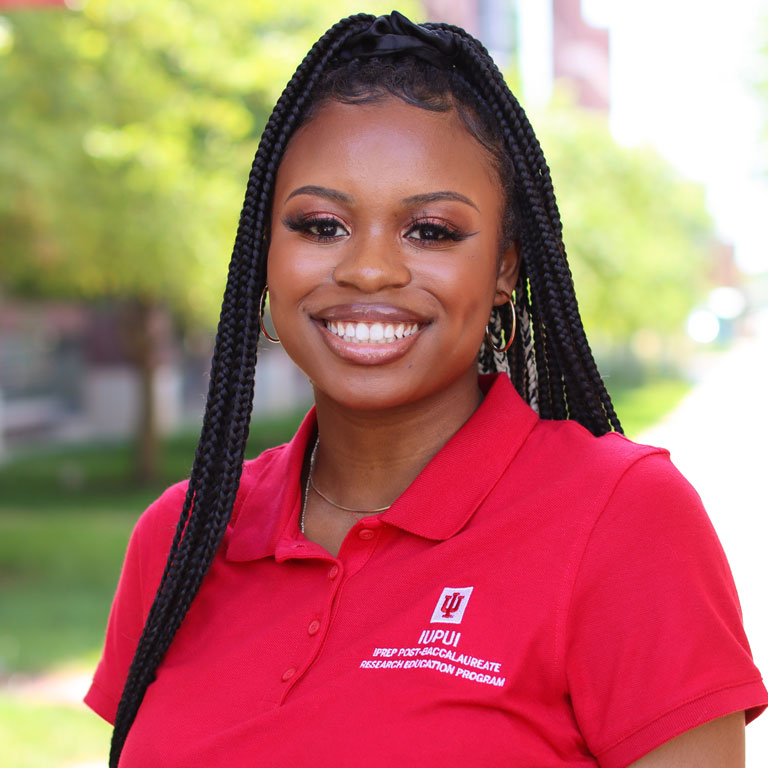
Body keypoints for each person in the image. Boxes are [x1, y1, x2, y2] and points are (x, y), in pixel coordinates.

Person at [85, 11, 767, 767]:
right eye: (320, 224)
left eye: (431, 230)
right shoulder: (180, 536)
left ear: (506, 268)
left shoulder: (623, 519)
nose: (370, 269)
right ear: (265, 253)